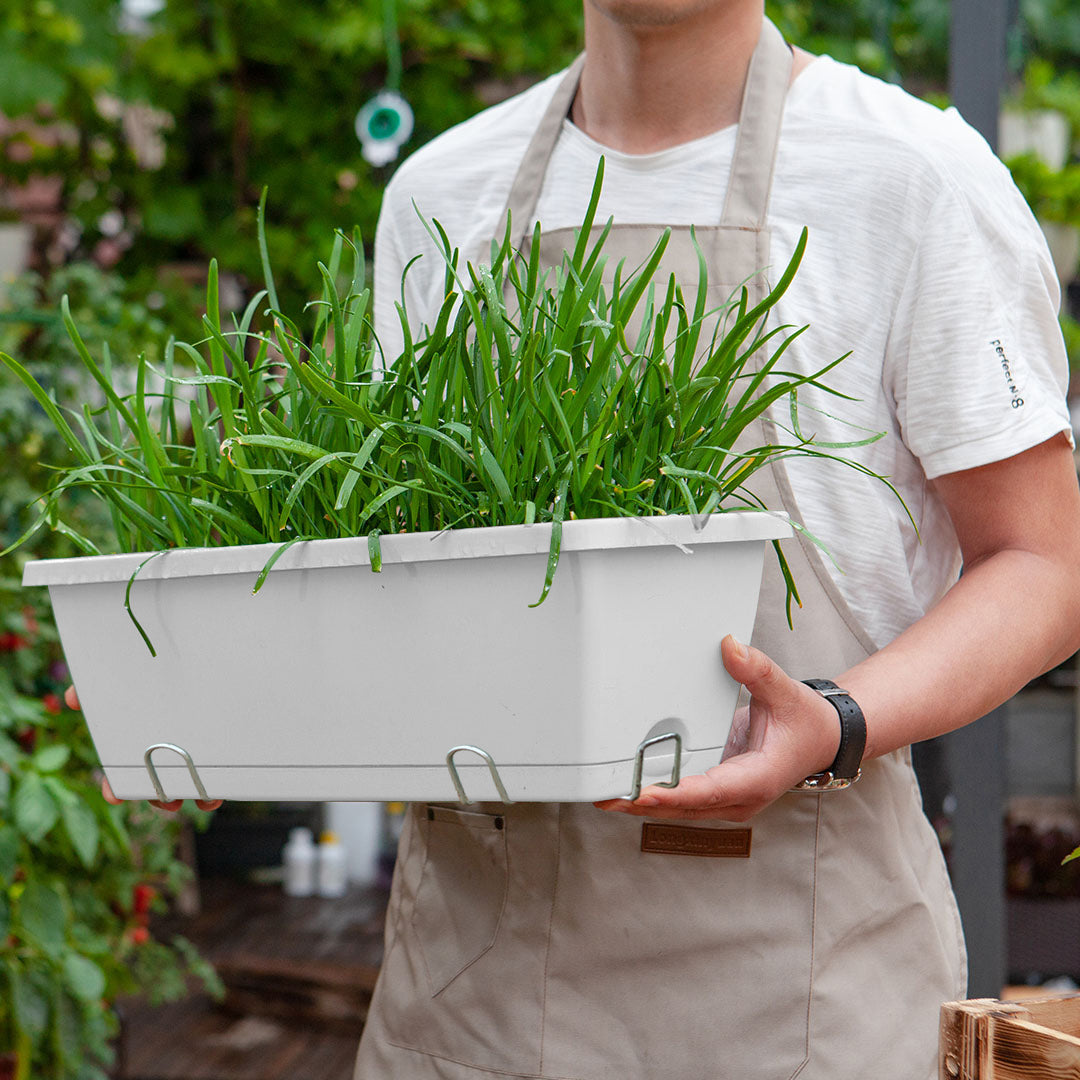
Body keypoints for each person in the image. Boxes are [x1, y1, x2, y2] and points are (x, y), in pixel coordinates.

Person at [347, 3, 1080, 1079]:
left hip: (800, 987)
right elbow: (412, 576)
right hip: (475, 994)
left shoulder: (910, 178)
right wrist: (231, 694)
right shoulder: (442, 195)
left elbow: (1046, 563)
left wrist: (836, 718)